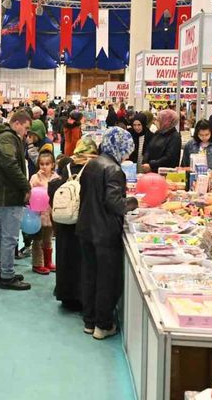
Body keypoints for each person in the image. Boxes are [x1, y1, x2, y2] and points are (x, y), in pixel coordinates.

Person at [77, 127, 134, 340]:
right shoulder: (114, 170)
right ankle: (103, 325)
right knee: (107, 280)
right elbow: (114, 202)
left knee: (90, 276)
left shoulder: (92, 163)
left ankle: (89, 321)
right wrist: (133, 202)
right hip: (105, 232)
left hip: (86, 227)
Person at [0, 110, 33, 290]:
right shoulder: (8, 139)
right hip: (8, 195)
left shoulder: (4, 136)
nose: (26, 132)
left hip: (2, 194)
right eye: (25, 128)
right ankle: (7, 275)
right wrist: (26, 186)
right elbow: (9, 164)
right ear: (17, 123)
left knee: (3, 236)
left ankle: (2, 270)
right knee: (9, 238)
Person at [50, 137, 98, 311]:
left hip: (65, 219)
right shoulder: (93, 168)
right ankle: (81, 297)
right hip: (83, 219)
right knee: (82, 261)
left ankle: (65, 295)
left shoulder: (67, 166)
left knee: (65, 258)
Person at [29, 151, 59, 275]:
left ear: (53, 165)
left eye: (47, 164)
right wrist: (39, 181)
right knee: (38, 239)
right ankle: (38, 263)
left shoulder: (56, 177)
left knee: (48, 239)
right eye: (42, 164)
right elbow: (30, 191)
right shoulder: (35, 177)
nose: (44, 166)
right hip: (38, 214)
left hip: (50, 214)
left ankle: (48, 261)